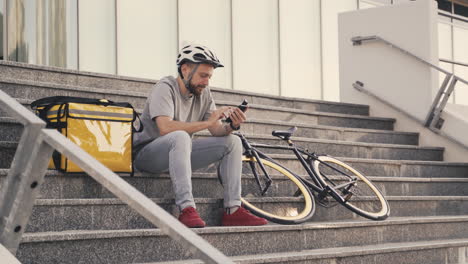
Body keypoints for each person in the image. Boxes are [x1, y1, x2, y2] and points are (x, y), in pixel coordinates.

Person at [133, 45, 268, 228]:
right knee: (180, 136)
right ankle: (187, 209)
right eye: (203, 75)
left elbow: (217, 131)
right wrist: (207, 123)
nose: (206, 82)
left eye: (209, 77)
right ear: (185, 69)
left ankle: (233, 210)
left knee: (233, 142)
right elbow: (165, 128)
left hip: (178, 153)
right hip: (146, 155)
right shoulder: (165, 87)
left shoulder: (203, 93)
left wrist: (232, 125)